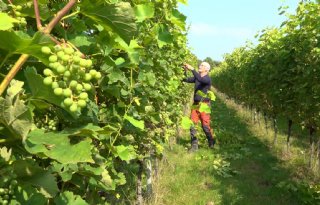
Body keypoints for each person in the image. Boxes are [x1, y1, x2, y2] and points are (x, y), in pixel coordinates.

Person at [182, 62, 215, 151]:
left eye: (202, 66)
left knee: (205, 126)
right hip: (196, 105)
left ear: (207, 70)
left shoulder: (207, 79)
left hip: (204, 105)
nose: (200, 66)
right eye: (200, 65)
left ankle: (211, 141)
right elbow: (185, 79)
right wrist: (184, 71)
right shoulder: (197, 78)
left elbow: (201, 79)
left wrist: (192, 69)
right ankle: (194, 146)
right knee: (192, 125)